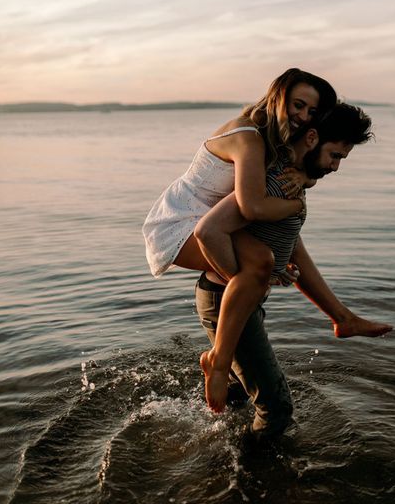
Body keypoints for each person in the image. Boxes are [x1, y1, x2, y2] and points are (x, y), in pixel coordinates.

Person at [143, 68, 337, 412]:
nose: (303, 116)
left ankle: (225, 396)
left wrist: (306, 180)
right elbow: (252, 205)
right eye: (298, 104)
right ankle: (217, 362)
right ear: (278, 96)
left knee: (263, 268)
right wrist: (295, 199)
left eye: (311, 113)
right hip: (179, 223)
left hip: (211, 222)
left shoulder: (272, 141)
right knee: (260, 264)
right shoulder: (248, 136)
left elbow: (277, 197)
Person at [195, 103, 393, 440]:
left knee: (240, 394)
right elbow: (207, 231)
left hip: (239, 300)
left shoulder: (293, 178)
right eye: (335, 155)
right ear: (312, 139)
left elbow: (291, 244)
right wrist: (247, 280)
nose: (336, 166)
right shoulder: (274, 184)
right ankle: (255, 482)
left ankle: (212, 446)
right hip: (227, 300)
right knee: (277, 409)